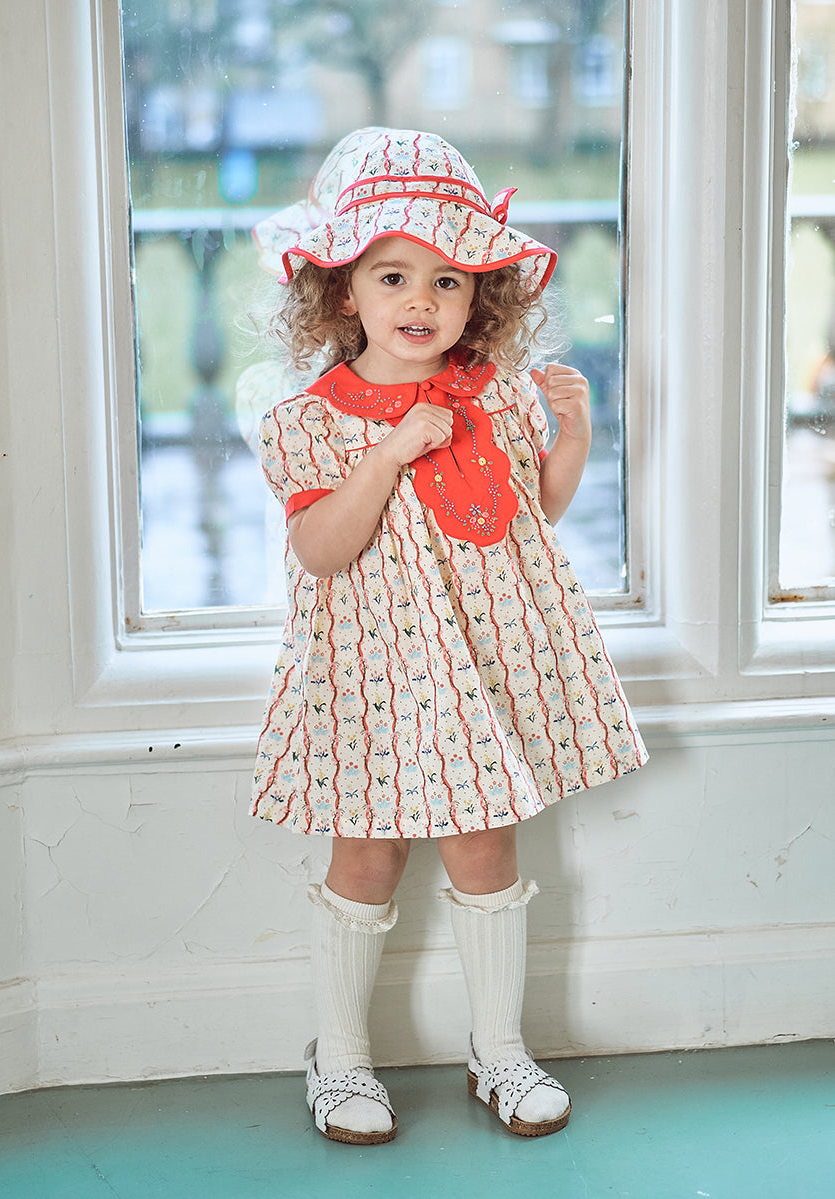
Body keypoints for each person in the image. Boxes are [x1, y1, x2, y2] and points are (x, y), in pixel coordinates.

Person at [249, 128, 648, 1146]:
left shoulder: (495, 394)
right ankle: (340, 1055)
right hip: (373, 668)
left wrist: (573, 438)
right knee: (368, 850)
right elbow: (321, 550)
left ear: (481, 296)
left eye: (448, 280)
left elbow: (528, 513)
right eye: (393, 276)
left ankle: (499, 1048)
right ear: (344, 291)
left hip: (478, 657)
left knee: (485, 842)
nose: (421, 300)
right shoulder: (311, 420)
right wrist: (386, 453)